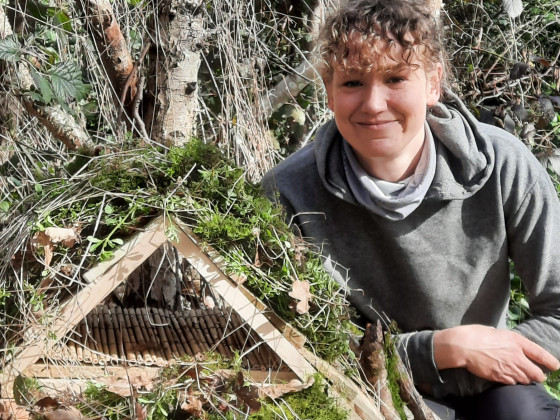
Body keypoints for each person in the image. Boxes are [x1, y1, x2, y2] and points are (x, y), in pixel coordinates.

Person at [261, 0, 560, 419]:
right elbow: (301, 342)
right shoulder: (288, 193)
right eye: (352, 83)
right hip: (373, 387)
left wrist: (482, 358)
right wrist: (443, 351)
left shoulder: (504, 165)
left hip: (495, 379)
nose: (373, 104)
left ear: (433, 83)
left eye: (396, 78)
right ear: (329, 91)